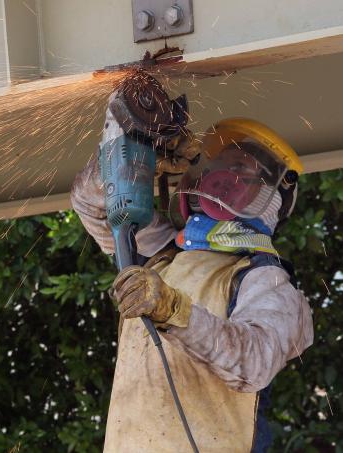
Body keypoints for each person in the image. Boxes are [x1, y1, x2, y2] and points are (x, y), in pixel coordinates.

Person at [70, 107, 314, 452]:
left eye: (240, 168)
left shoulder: (265, 279)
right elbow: (92, 201)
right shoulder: (165, 255)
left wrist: (173, 309)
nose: (219, 176)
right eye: (218, 165)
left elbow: (253, 362)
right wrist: (140, 159)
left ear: (270, 195)